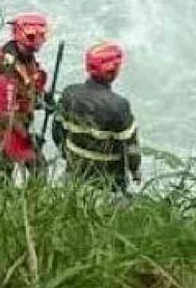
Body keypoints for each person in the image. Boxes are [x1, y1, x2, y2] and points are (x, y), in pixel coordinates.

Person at [52, 42, 142, 192]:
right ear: (113, 72)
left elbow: (57, 131)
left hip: (75, 171)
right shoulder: (119, 106)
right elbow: (130, 147)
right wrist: (135, 170)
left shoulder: (69, 93)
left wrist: (65, 154)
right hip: (108, 181)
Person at [0, 13, 51, 169]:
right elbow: (5, 113)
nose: (38, 42)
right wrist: (26, 138)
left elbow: (28, 84)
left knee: (8, 163)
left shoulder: (26, 56)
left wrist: (43, 99)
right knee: (37, 165)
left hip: (17, 118)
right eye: (33, 37)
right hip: (6, 122)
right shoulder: (7, 68)